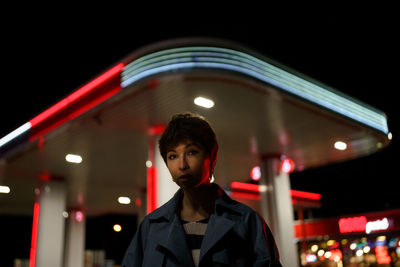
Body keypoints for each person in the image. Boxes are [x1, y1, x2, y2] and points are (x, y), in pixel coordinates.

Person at [122, 112, 282, 267]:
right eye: (172, 156)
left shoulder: (246, 222)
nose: (182, 165)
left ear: (212, 157)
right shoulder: (151, 227)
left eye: (191, 152)